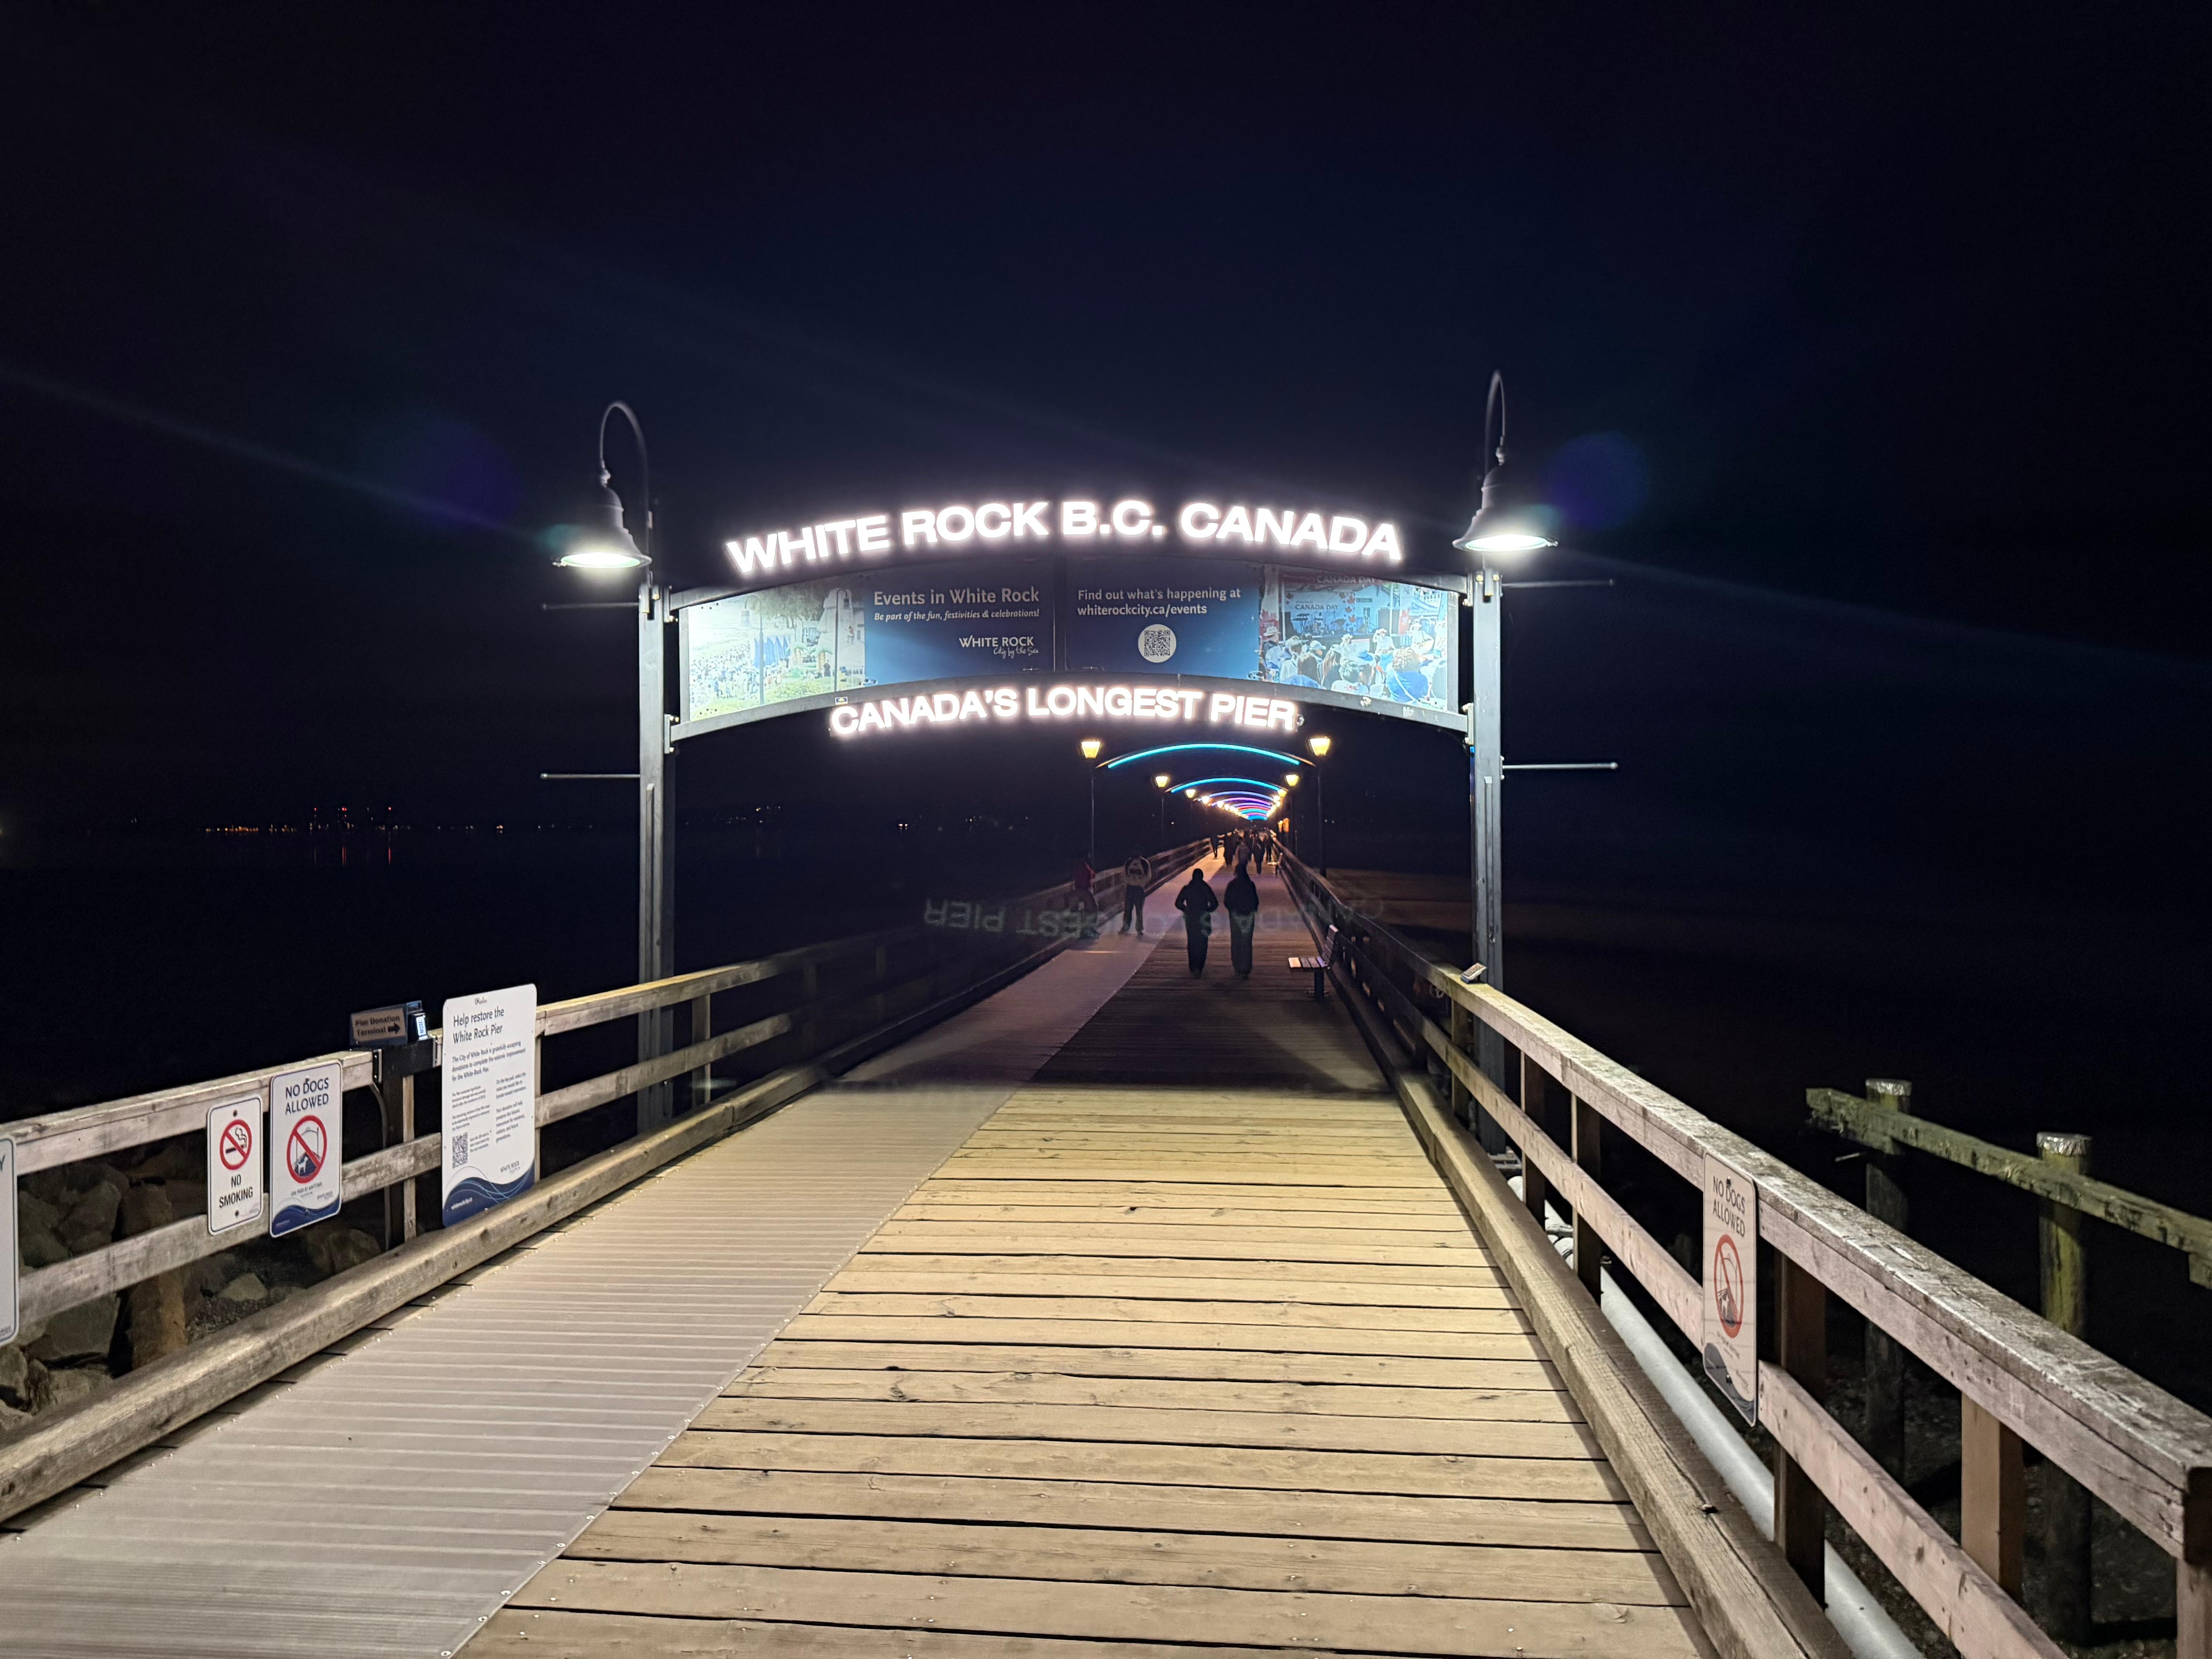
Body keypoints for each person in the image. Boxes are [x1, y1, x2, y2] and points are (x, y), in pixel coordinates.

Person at [1174, 866, 1218, 975]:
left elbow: (1178, 903)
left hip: (1191, 917)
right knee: (1203, 942)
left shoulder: (1187, 888)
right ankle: (1200, 966)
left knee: (1192, 942)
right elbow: (1214, 904)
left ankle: (1193, 966)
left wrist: (1186, 910)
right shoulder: (1206, 888)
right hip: (1204, 917)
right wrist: (1208, 910)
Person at [1224, 857, 1260, 978]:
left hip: (1236, 916)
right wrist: (1253, 909)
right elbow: (1255, 901)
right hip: (1249, 915)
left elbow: (1227, 901)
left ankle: (1238, 966)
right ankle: (1246, 967)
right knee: (1247, 941)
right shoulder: (1250, 884)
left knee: (1236, 940)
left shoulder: (1232, 885)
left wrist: (1232, 909)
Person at [1120, 851, 1151, 934]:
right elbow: (1124, 874)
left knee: (1139, 910)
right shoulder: (1128, 863)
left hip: (1139, 889)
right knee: (1128, 909)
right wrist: (1129, 882)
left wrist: (1141, 883)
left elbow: (1148, 876)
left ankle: (1139, 929)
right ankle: (1126, 928)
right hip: (1130, 888)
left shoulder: (1144, 863)